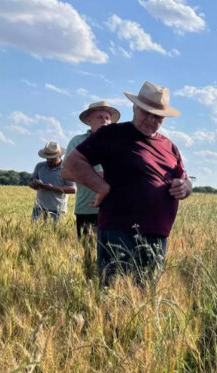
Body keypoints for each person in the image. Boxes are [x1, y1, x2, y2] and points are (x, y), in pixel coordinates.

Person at [62, 81, 192, 285]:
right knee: (114, 299)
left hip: (157, 237)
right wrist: (101, 186)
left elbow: (184, 178)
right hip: (119, 232)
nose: (151, 119)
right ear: (134, 108)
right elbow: (71, 165)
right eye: (145, 112)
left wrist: (185, 188)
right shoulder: (112, 135)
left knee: (146, 299)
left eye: (157, 115)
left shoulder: (170, 147)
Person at [65, 101, 121, 238]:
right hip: (86, 207)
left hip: (115, 208)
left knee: (113, 254)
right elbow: (66, 172)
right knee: (87, 253)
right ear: (89, 120)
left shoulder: (119, 143)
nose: (104, 121)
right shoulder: (77, 142)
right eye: (99, 117)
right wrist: (98, 177)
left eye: (107, 118)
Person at [29, 142, 76, 222]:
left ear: (60, 156)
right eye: (47, 157)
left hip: (57, 210)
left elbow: (73, 189)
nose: (49, 160)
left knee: (54, 233)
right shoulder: (40, 166)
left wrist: (52, 188)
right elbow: (30, 181)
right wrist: (33, 185)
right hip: (38, 208)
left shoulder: (67, 169)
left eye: (53, 158)